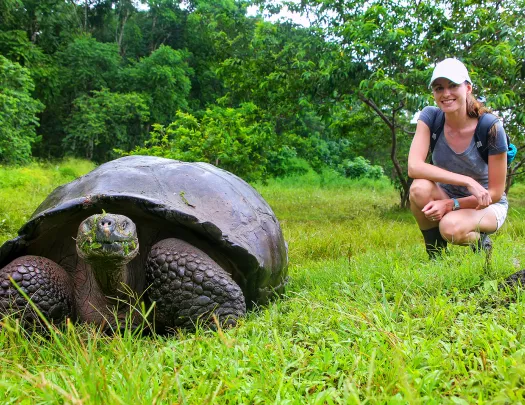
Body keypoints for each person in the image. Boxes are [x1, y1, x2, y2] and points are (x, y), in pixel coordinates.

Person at [408, 58, 509, 259]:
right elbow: (414, 167)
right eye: (439, 88)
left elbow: (495, 193)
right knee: (418, 188)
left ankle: (481, 243)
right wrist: (467, 181)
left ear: (468, 88)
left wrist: (450, 205)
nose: (446, 94)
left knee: (450, 227)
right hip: (446, 193)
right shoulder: (430, 117)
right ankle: (436, 256)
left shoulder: (490, 127)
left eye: (453, 85)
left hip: (486, 205)